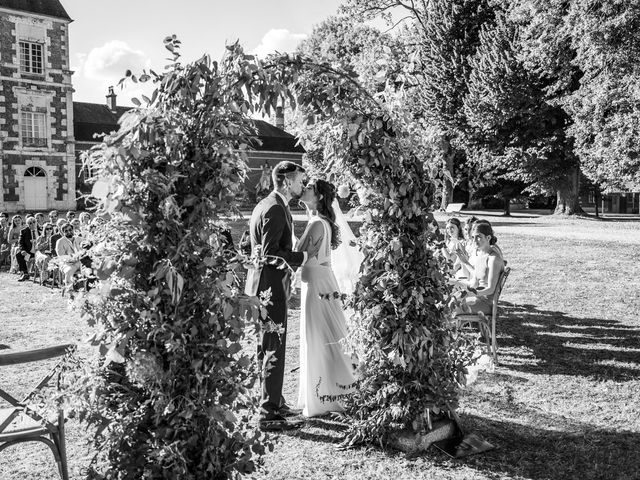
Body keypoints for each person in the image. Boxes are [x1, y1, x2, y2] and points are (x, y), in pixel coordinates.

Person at [245, 161, 320, 432]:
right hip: (270, 288)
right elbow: (270, 254)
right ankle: (269, 414)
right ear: (287, 181)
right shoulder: (275, 209)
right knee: (274, 344)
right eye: (300, 179)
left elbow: (247, 244)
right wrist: (302, 256)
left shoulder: (265, 205)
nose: (303, 184)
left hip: (261, 286)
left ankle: (272, 400)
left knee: (266, 346)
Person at [296, 179, 357, 417]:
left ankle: (329, 394)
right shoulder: (318, 221)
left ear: (319, 197)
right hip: (317, 281)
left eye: (309, 188)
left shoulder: (317, 224)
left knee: (321, 338)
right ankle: (326, 391)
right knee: (322, 337)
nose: (304, 189)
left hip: (318, 284)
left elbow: (299, 252)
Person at [452, 222, 505, 315]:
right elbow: (477, 276)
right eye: (473, 237)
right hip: (476, 298)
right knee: (449, 302)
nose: (475, 241)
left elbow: (490, 289)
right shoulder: (480, 254)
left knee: (452, 308)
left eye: (478, 237)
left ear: (488, 238)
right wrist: (465, 262)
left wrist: (470, 294)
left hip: (486, 304)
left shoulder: (493, 259)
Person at [55, 222, 83, 286]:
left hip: (80, 262)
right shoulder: (60, 241)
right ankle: (69, 290)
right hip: (67, 263)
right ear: (63, 232)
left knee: (92, 267)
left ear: (73, 230)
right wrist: (72, 258)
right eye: (66, 231)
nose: (69, 232)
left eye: (70, 230)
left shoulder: (80, 239)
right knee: (69, 270)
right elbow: (61, 256)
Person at [17, 216, 38, 281]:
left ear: (36, 222)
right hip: (29, 253)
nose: (32, 224)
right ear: (27, 224)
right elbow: (20, 243)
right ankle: (25, 273)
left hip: (39, 253)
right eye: (30, 223)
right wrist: (23, 250)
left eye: (34, 222)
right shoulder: (24, 231)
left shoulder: (42, 230)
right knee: (19, 254)